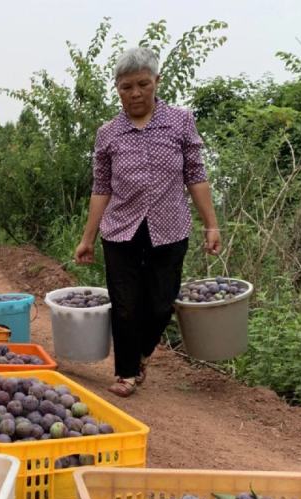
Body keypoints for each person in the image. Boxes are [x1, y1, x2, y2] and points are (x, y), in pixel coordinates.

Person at [73, 47, 221, 398]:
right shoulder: (108, 133)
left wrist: (211, 225)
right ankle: (125, 373)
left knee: (160, 303)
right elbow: (102, 187)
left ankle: (140, 354)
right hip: (121, 228)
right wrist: (87, 237)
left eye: (142, 84)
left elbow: (195, 175)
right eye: (126, 86)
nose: (135, 93)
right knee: (124, 304)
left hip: (169, 227)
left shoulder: (180, 121)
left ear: (157, 81)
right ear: (117, 88)